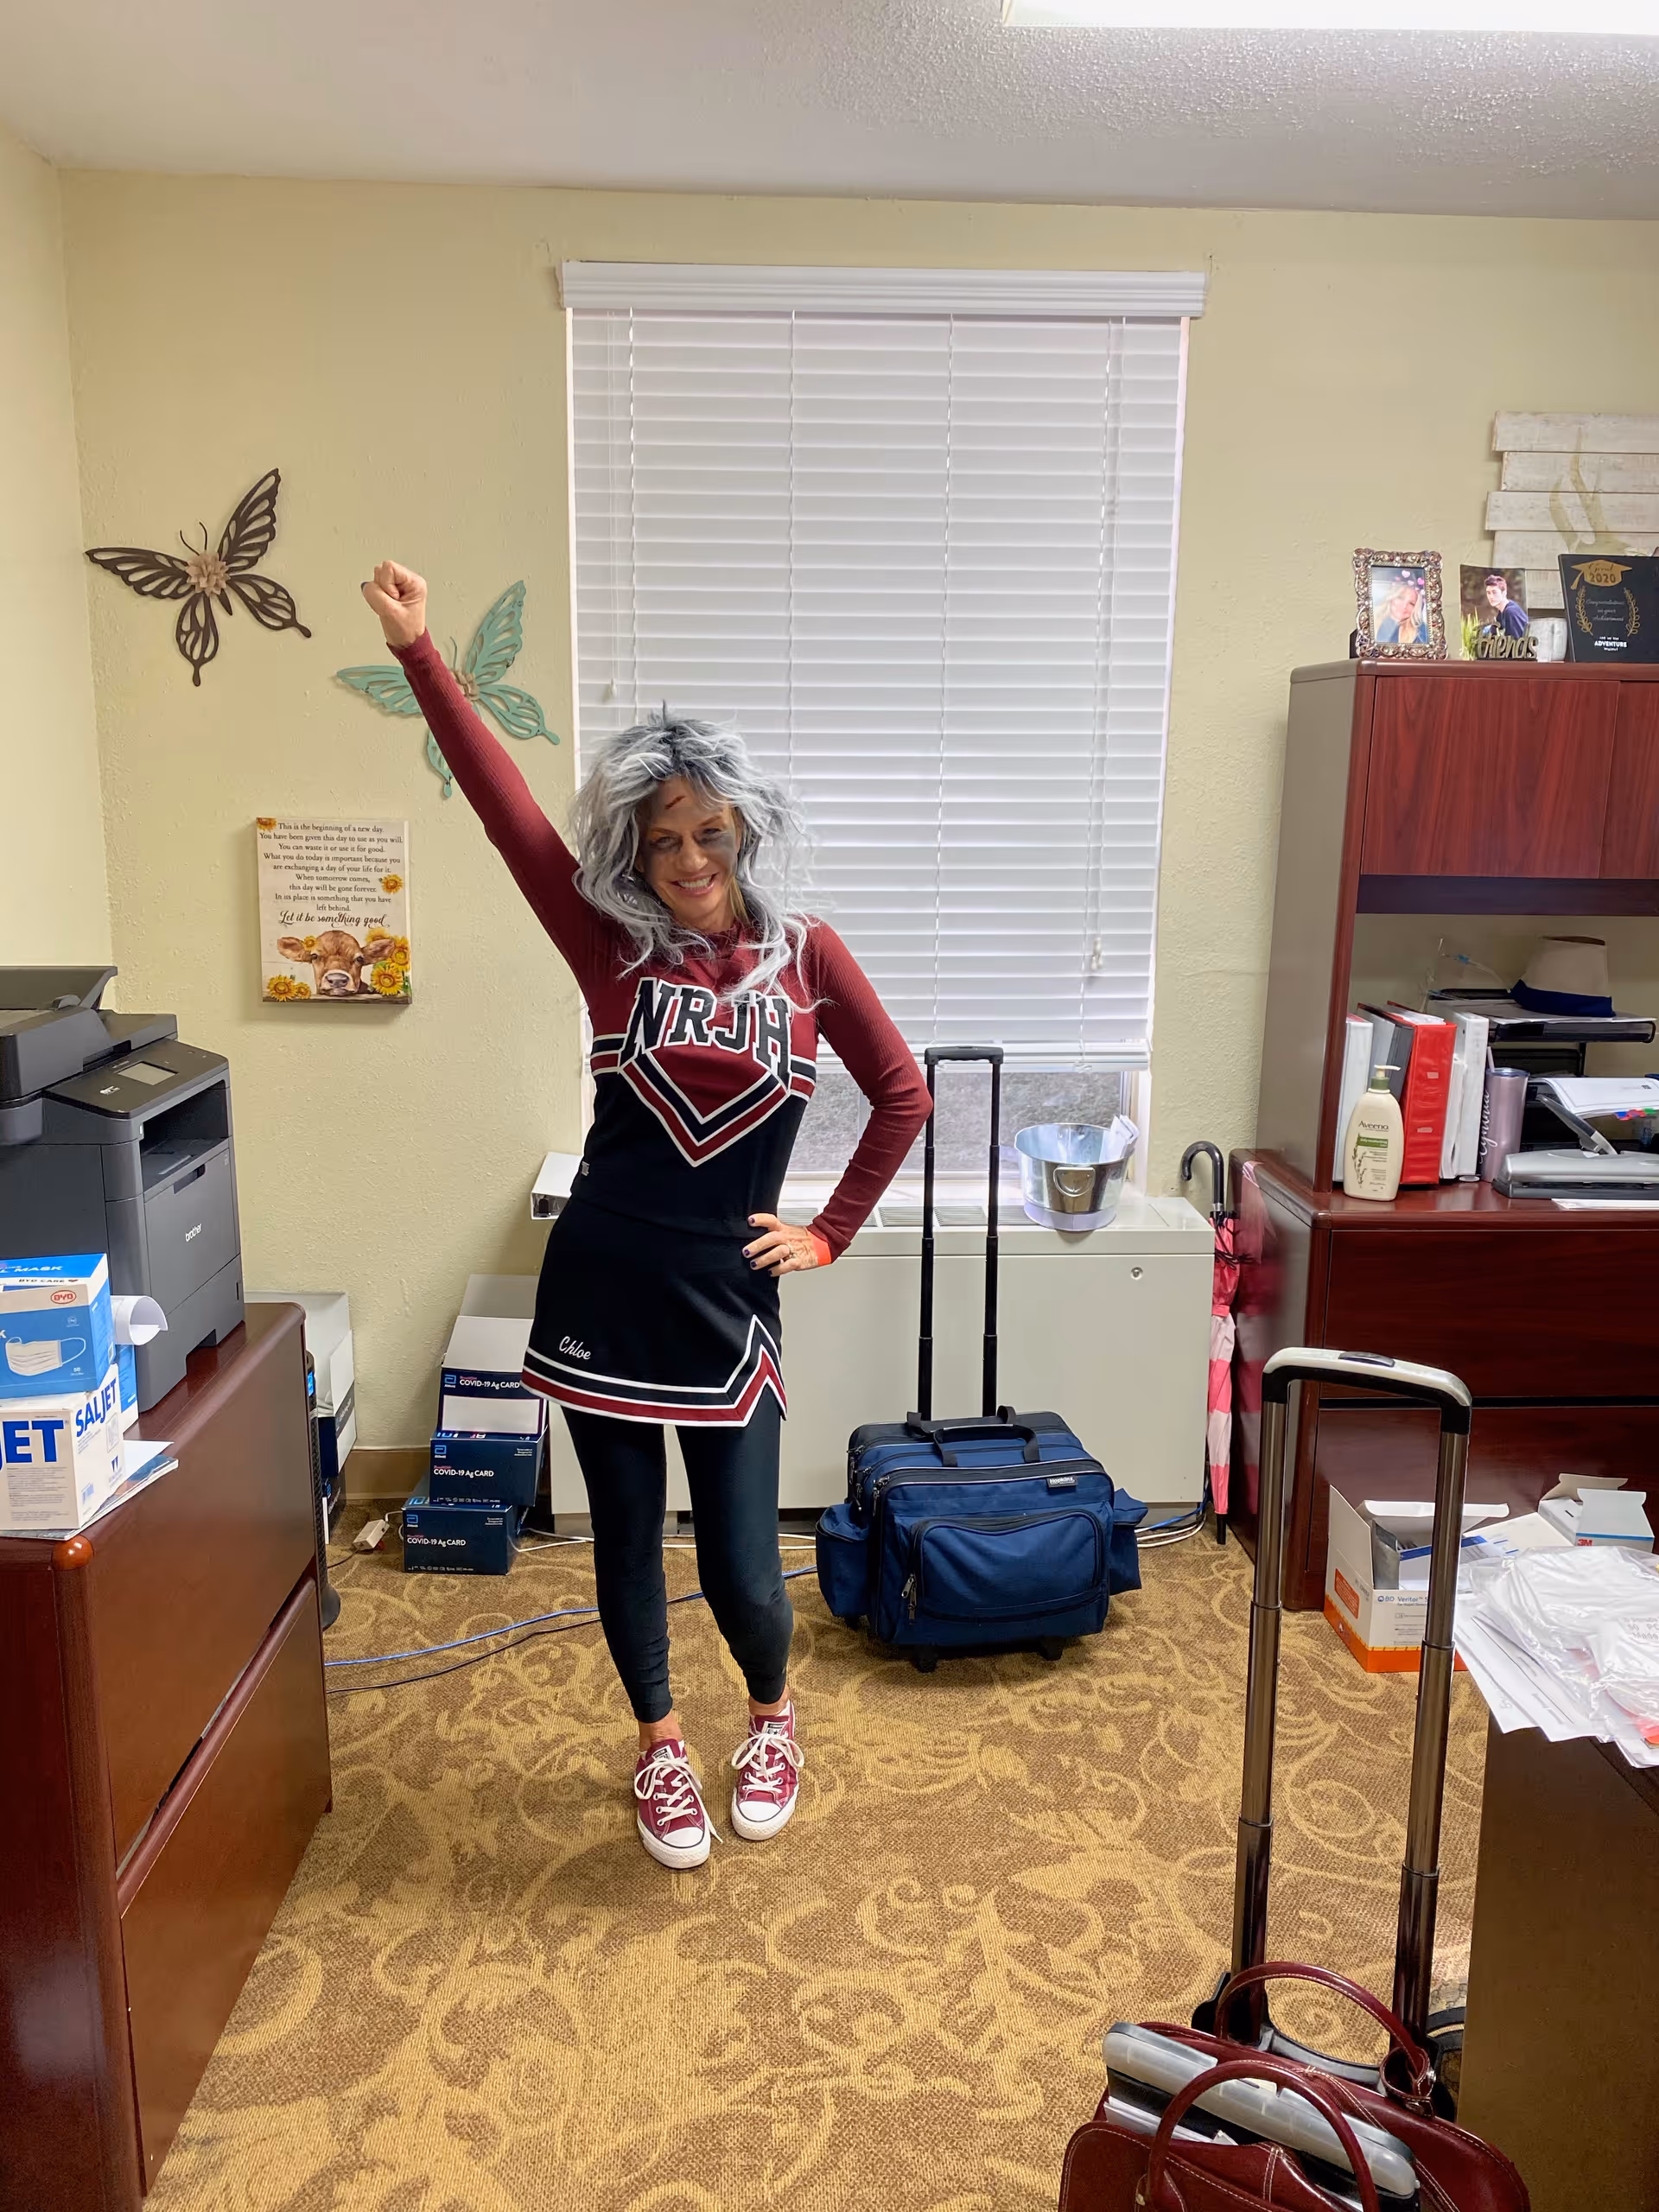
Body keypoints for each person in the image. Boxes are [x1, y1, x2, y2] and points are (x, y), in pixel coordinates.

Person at [361, 562, 931, 1872]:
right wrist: (421, 654)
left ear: (747, 836)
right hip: (603, 1286)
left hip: (728, 1308)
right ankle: (659, 1743)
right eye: (660, 840)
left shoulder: (810, 959)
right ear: (634, 849)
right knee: (623, 1542)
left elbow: (901, 1095)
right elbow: (509, 823)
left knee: (740, 1563)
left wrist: (831, 1230)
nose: (685, 862)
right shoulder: (607, 949)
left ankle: (772, 1719)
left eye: (708, 836)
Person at [1376, 578, 1426, 647]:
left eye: (1411, 603)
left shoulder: (1421, 633)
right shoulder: (1368, 625)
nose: (1404, 606)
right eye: (1400, 598)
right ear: (1391, 598)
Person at [1480, 572, 1530, 639]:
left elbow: (1517, 643)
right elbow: (1494, 630)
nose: (1491, 597)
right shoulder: (1502, 611)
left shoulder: (1511, 612)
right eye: (1488, 593)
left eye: (1494, 592)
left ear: (1504, 593)